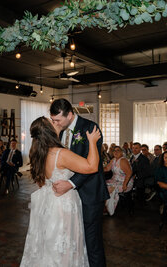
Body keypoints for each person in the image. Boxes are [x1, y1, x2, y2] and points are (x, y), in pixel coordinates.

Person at [20, 116, 101, 266]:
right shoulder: (60, 154)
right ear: (48, 130)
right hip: (64, 204)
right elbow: (92, 167)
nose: (55, 122)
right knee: (65, 244)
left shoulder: (39, 152)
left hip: (50, 202)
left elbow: (41, 181)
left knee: (52, 243)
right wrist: (92, 142)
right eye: (52, 122)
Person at [49, 99, 109, 267]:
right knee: (74, 237)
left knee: (92, 240)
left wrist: (71, 183)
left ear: (69, 114)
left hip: (90, 193)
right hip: (68, 198)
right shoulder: (58, 130)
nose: (55, 124)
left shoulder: (91, 128)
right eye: (53, 120)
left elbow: (93, 165)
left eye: (58, 120)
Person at [104, 147, 133, 216]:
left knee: (109, 188)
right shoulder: (113, 160)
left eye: (118, 150)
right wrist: (97, 168)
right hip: (115, 180)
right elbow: (107, 168)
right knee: (102, 185)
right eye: (114, 150)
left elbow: (129, 173)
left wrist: (125, 185)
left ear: (122, 152)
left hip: (125, 181)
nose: (115, 152)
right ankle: (106, 207)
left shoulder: (123, 160)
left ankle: (110, 208)